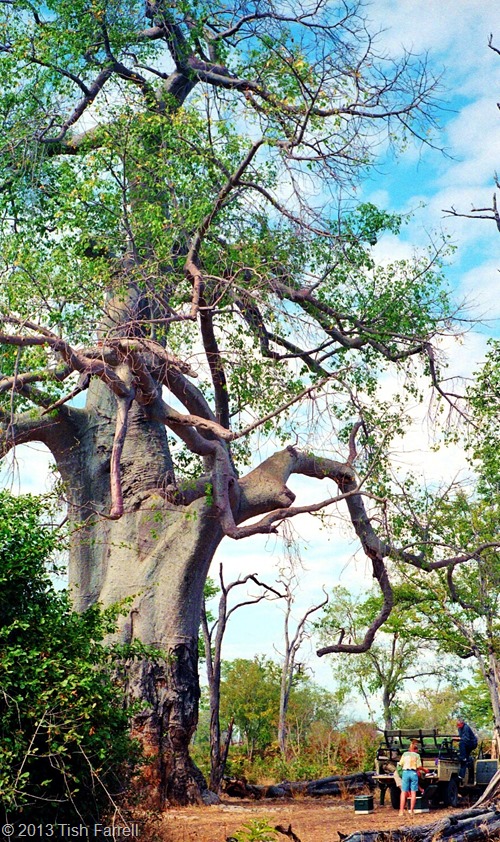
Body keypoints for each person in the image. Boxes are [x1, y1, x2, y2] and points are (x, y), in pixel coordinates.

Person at [397, 739, 422, 816]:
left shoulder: (404, 754)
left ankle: (401, 811)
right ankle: (411, 810)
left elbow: (400, 764)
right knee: (413, 792)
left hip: (405, 773)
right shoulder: (417, 755)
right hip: (413, 773)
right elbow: (419, 766)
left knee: (403, 792)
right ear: (416, 749)